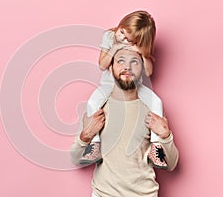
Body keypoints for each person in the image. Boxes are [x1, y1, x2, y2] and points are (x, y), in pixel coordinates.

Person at [71, 48, 179, 197]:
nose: (127, 67)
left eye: (134, 62)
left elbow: (171, 164)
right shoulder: (97, 109)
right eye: (120, 61)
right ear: (110, 67)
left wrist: (166, 135)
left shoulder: (152, 109)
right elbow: (75, 159)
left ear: (142, 69)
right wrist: (86, 135)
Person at [80, 10, 167, 169]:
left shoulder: (139, 45)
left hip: (134, 86)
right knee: (93, 103)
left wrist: (143, 54)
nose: (123, 38)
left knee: (157, 103)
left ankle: (156, 147)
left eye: (129, 39)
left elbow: (148, 72)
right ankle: (95, 145)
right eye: (122, 32)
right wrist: (115, 47)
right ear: (120, 25)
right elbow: (102, 65)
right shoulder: (110, 36)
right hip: (109, 85)